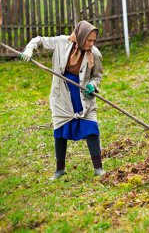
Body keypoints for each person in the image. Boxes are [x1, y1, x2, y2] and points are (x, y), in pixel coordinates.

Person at [20, 20, 105, 180]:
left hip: (82, 96)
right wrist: (29, 49)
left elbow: (97, 75)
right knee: (60, 130)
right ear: (80, 36)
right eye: (89, 40)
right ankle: (60, 170)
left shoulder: (95, 54)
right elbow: (39, 40)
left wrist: (93, 85)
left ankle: (98, 168)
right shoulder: (61, 43)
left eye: (94, 40)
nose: (92, 43)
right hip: (62, 95)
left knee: (91, 127)